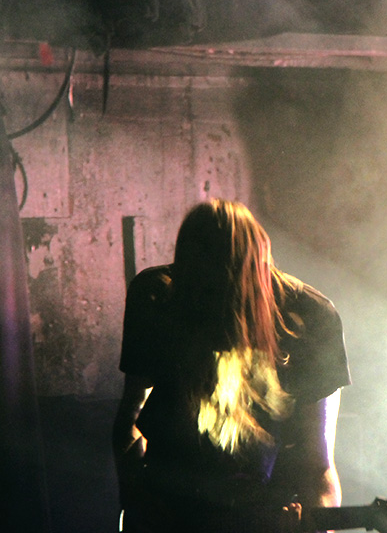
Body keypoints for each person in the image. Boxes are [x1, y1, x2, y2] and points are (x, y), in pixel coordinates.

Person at [113, 199, 351, 533]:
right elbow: (131, 418)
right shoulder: (158, 296)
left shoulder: (310, 317)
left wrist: (317, 522)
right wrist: (137, 500)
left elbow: (318, 464)